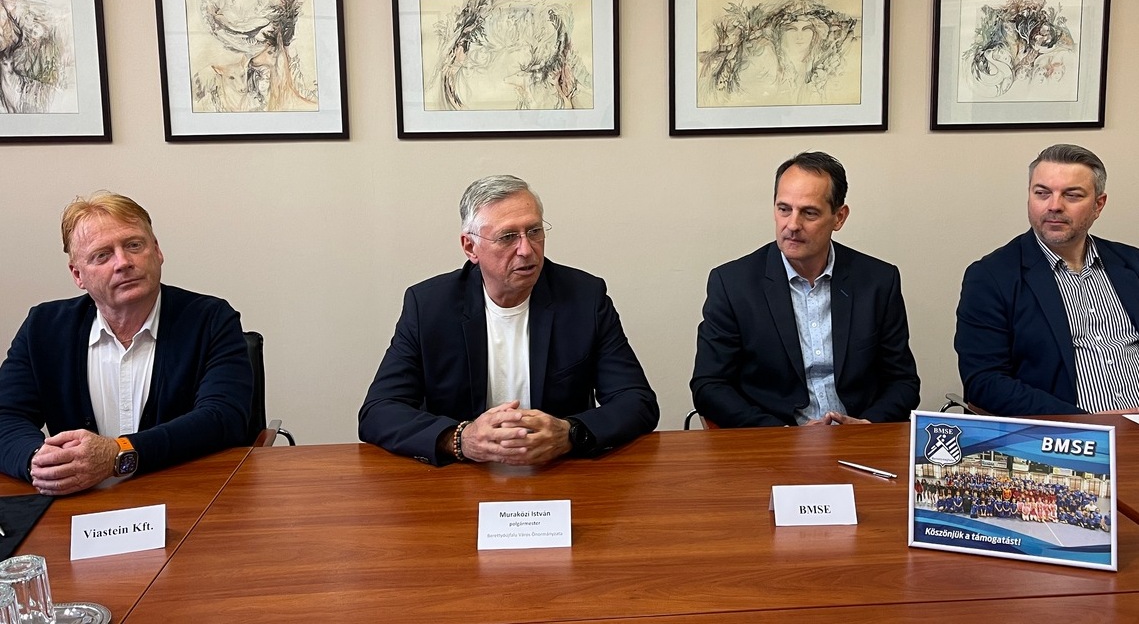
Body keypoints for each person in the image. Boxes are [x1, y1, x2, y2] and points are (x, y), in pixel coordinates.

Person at [359, 175, 658, 466]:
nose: (526, 250)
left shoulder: (585, 298)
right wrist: (460, 439)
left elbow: (636, 401)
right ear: (470, 247)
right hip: (462, 476)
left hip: (557, 470)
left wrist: (569, 434)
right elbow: (379, 411)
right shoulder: (428, 306)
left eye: (534, 231)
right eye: (507, 237)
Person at [0, 192, 253, 495]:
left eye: (134, 245)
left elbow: (223, 417)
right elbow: (5, 416)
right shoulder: (43, 328)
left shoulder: (210, 319)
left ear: (156, 250)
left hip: (188, 498)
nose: (123, 263)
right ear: (78, 275)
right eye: (102, 255)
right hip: (81, 504)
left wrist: (119, 454)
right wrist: (39, 461)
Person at [690, 151, 920, 427]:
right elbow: (709, 385)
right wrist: (784, 434)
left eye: (809, 213)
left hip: (859, 436)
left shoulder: (878, 281)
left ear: (839, 217)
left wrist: (866, 425)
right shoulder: (733, 284)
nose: (792, 225)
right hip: (776, 439)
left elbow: (903, 382)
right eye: (783, 209)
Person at [955, 143, 1139, 416]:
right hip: (1066, 433)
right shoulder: (991, 277)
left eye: (1072, 195)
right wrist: (1085, 423)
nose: (1054, 206)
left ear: (1098, 205)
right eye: (1042, 193)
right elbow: (985, 382)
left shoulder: (1133, 264)